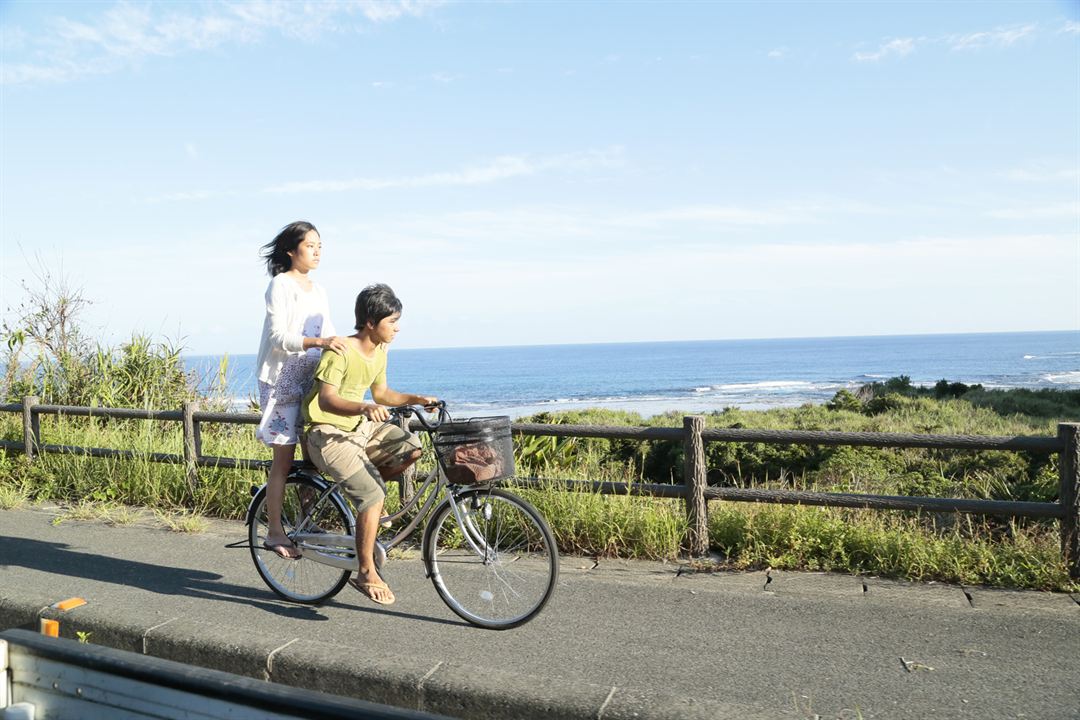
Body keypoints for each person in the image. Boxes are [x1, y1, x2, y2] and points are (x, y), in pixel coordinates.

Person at [301, 283, 437, 606]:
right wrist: (363, 407)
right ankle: (365, 571)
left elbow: (382, 394)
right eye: (392, 321)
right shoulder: (340, 352)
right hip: (326, 433)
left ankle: (368, 502)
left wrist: (418, 398)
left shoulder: (380, 351)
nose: (397, 327)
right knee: (374, 493)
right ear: (370, 323)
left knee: (411, 446)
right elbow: (327, 399)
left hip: (359, 430)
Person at [255, 221, 346, 559]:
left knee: (313, 455)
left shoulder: (319, 290)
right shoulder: (280, 285)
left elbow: (331, 333)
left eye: (320, 245)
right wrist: (317, 341)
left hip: (309, 380)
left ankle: (307, 521)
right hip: (280, 382)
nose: (317, 251)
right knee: (283, 460)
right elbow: (279, 336)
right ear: (292, 251)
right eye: (310, 245)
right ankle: (275, 531)